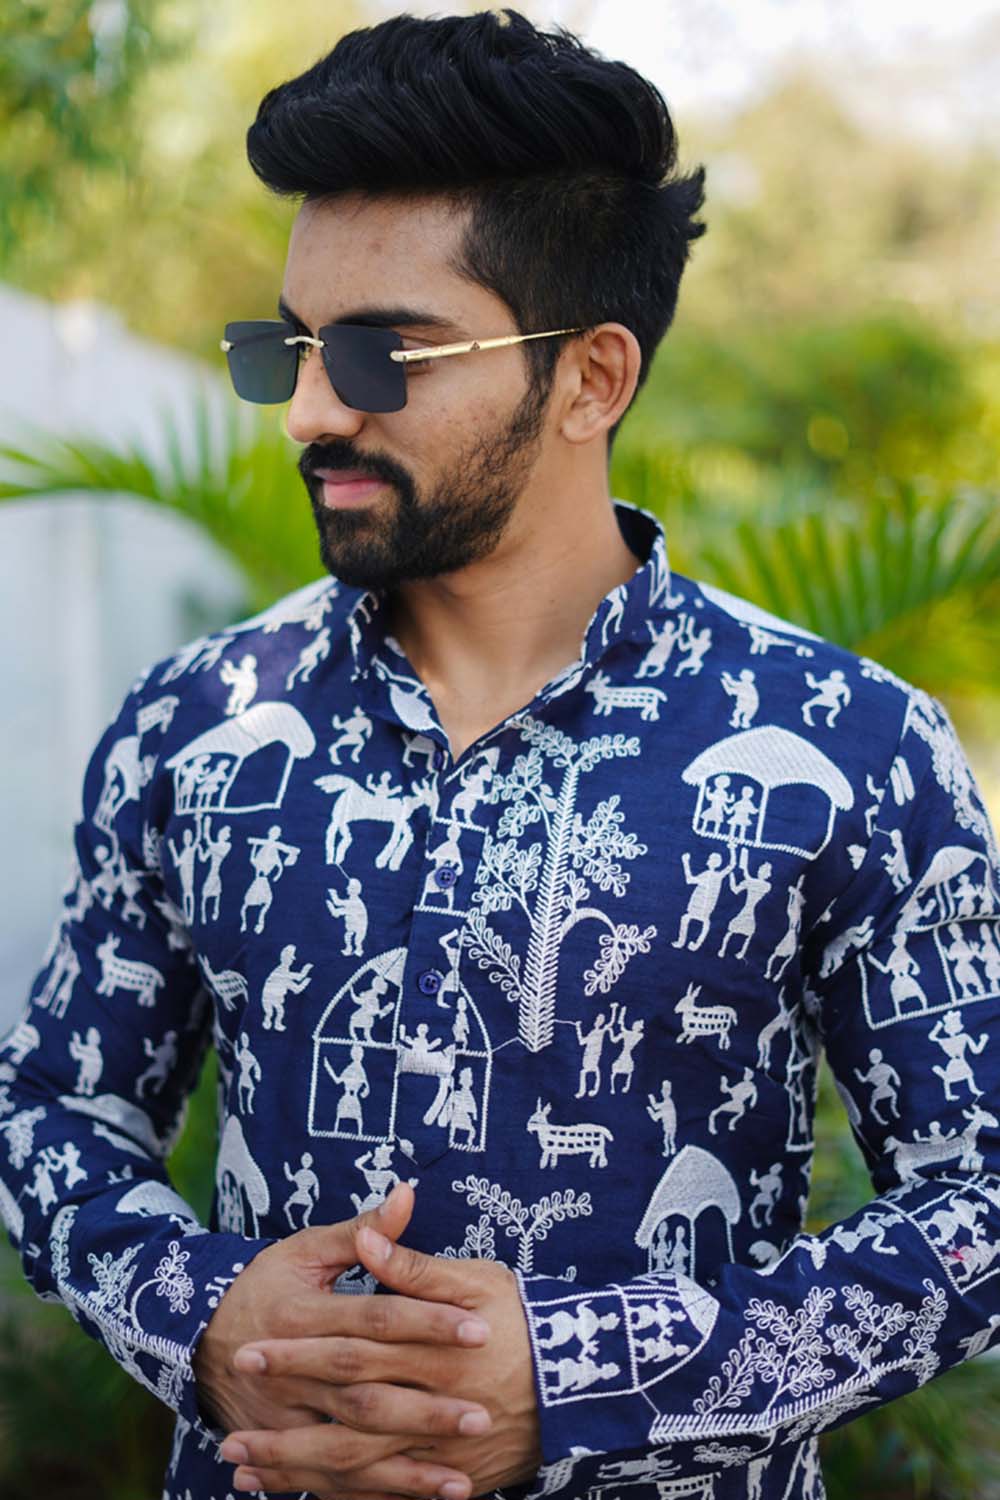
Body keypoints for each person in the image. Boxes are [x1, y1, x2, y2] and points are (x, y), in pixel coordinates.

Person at [1, 11, 998, 1500]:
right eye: (289, 347)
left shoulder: (852, 746)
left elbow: (981, 1201)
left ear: (592, 379)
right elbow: (51, 1105)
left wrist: (586, 1379)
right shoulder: (197, 723)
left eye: (382, 352)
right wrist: (199, 1316)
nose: (313, 409)